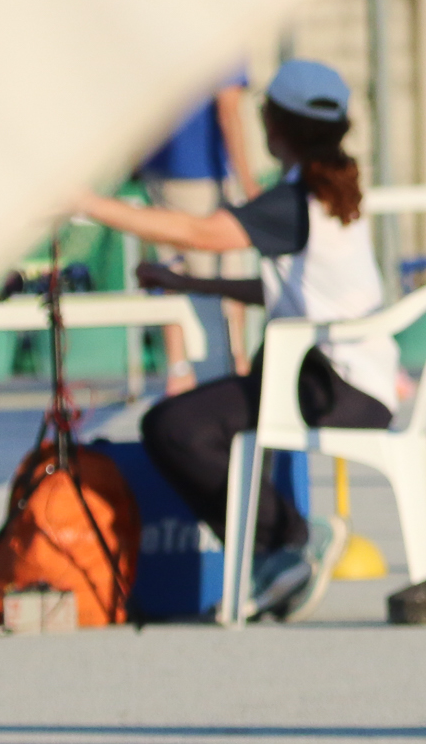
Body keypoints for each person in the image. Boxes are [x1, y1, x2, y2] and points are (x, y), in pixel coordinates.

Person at [70, 60, 395, 623]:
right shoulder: (333, 188)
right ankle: (279, 548)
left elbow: (200, 233)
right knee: (202, 419)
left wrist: (87, 203)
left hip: (332, 387)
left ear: (274, 125)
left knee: (175, 428)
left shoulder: (294, 201)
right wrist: (192, 284)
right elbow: (292, 288)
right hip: (348, 380)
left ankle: (287, 543)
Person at [135, 65, 259, 380]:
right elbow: (228, 112)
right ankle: (231, 367)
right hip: (201, 175)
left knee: (171, 271)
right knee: (218, 280)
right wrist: (249, 184)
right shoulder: (225, 42)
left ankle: (179, 371)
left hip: (157, 168)